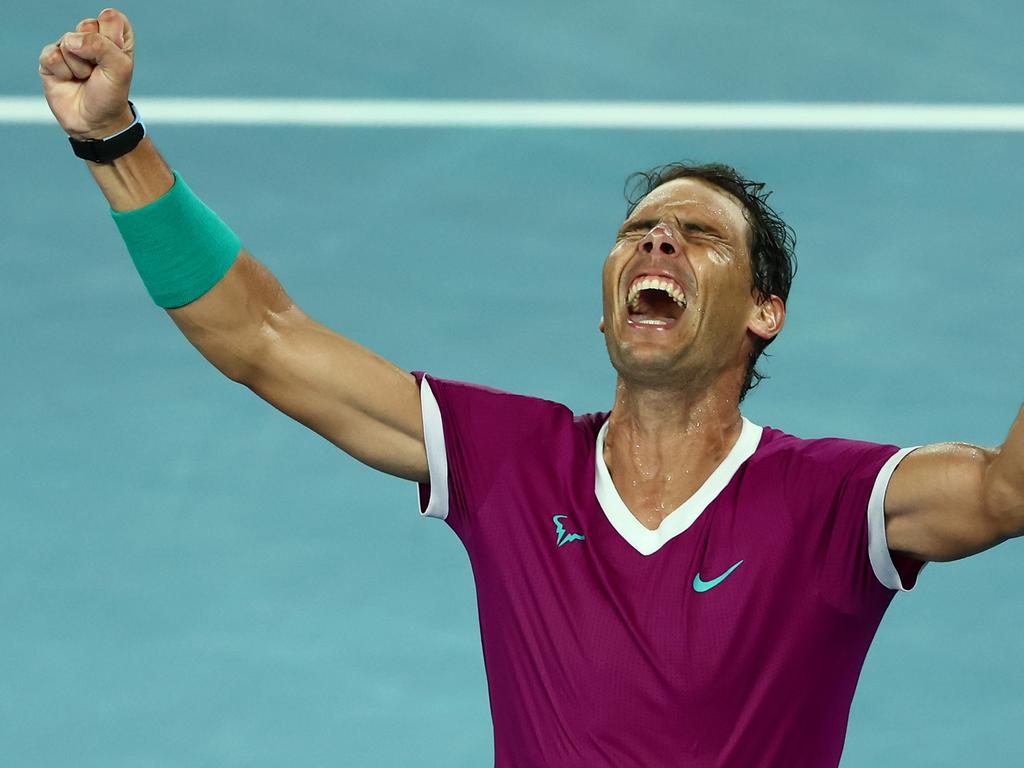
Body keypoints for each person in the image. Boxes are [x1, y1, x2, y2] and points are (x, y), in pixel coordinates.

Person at [39, 8, 1024, 767]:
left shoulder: (834, 504)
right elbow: (260, 337)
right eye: (639, 230)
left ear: (765, 311)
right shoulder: (511, 463)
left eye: (699, 235)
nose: (658, 240)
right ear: (605, 308)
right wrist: (113, 143)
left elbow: (1002, 492)